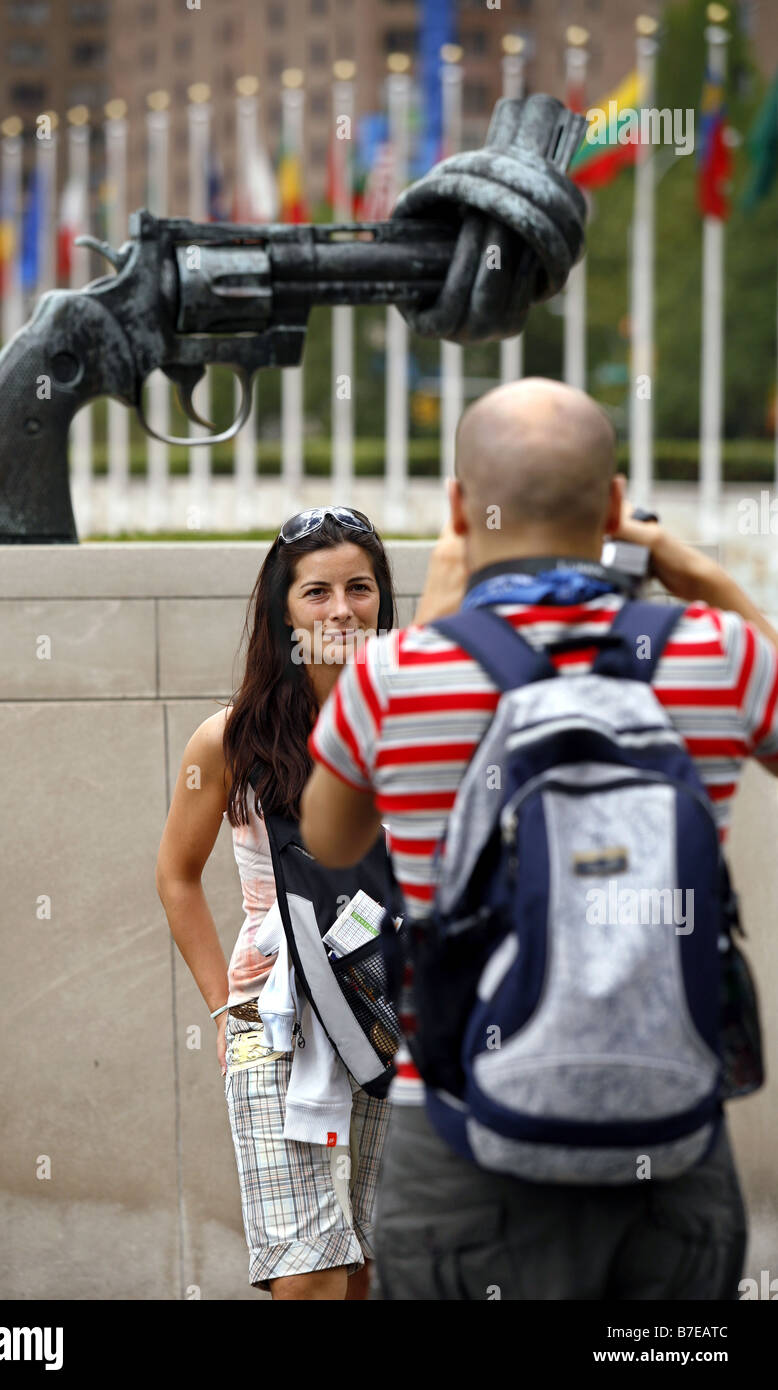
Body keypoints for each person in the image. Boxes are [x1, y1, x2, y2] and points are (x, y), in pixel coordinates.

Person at [299, 378, 778, 1300]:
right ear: (612, 505)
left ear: (458, 507)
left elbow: (327, 836)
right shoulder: (718, 651)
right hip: (672, 1154)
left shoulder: (399, 674)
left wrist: (434, 622)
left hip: (462, 1146)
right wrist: (706, 579)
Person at [155, 506, 402, 1300]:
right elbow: (176, 872)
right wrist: (225, 1007)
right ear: (281, 611)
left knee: (361, 1264)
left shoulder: (415, 726)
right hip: (274, 1019)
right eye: (317, 592)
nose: (341, 610)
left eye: (359, 589)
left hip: (391, 1012)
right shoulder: (228, 742)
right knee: (309, 1276)